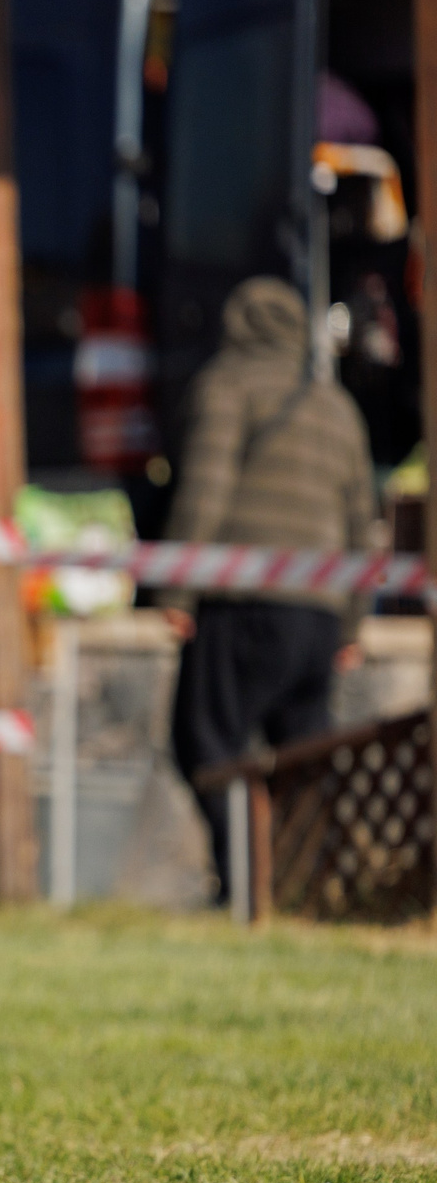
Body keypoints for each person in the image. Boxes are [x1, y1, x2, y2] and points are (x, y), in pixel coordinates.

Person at [165, 275, 377, 902]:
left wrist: (177, 591)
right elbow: (362, 525)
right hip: (319, 612)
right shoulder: (335, 406)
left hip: (245, 599)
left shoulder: (227, 385)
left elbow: (204, 488)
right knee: (303, 756)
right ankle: (303, 884)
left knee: (207, 742)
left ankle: (245, 886)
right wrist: (353, 625)